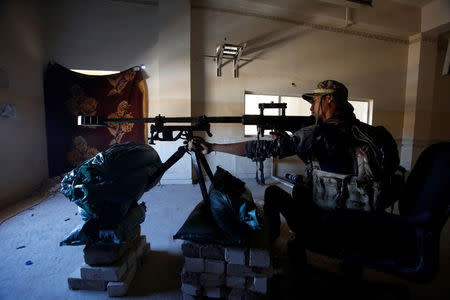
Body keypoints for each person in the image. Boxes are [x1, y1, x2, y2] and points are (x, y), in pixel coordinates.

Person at [188, 80, 400, 247]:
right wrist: (291, 140)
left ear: (329, 100)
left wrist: (213, 147)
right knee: (300, 188)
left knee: (272, 193)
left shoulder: (320, 132)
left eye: (314, 101)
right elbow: (329, 165)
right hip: (361, 218)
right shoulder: (362, 131)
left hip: (329, 220)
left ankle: (272, 249)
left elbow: (261, 150)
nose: (310, 108)